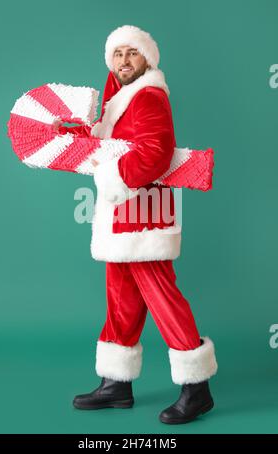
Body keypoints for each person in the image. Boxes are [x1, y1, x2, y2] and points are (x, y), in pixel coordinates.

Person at [72, 24, 218, 424]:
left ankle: (197, 387)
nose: (123, 60)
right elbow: (114, 146)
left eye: (131, 53)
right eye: (117, 54)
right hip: (124, 216)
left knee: (161, 295)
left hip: (145, 216)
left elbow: (155, 153)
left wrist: (111, 179)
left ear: (147, 58)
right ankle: (116, 384)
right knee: (121, 297)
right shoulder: (118, 102)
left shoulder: (149, 95)